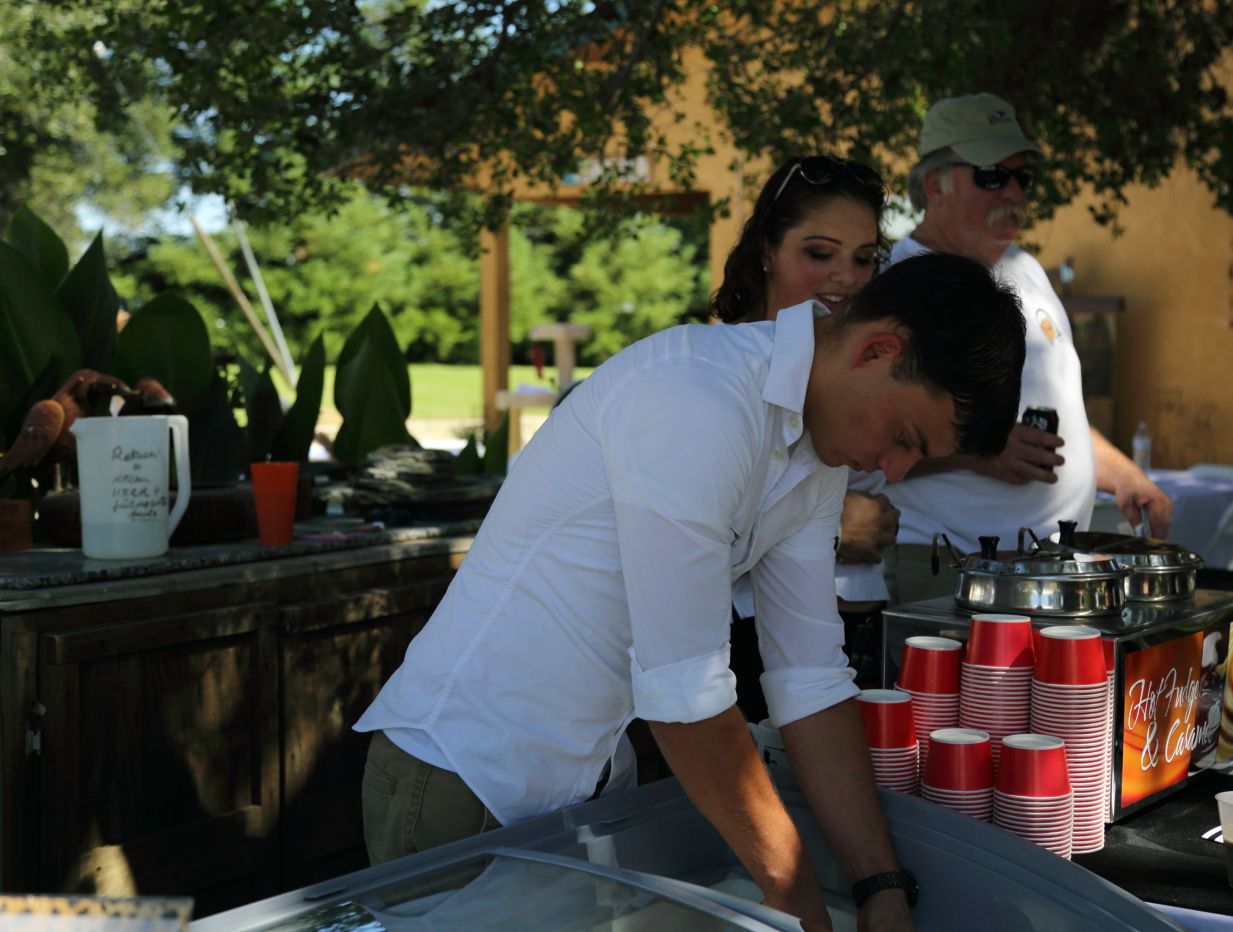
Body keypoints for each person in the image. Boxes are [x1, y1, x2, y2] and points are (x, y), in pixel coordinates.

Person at [356, 255, 1027, 932]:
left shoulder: (816, 450)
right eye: (905, 438)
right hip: (461, 777)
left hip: (577, 789)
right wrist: (797, 903)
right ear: (877, 349)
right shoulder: (696, 398)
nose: (895, 469)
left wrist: (881, 886)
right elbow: (685, 694)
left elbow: (810, 677)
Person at [880, 93, 1173, 603]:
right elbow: (858, 437)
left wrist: (1123, 475)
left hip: (1046, 571)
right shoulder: (893, 286)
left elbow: (1063, 413)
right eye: (993, 175)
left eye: (1023, 178)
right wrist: (976, 451)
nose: (1013, 193)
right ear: (935, 185)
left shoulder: (1027, 270)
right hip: (950, 569)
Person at [710, 155, 901, 716]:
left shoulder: (857, 364)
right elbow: (676, 540)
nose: (845, 275)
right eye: (819, 253)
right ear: (766, 249)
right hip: (737, 642)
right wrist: (835, 527)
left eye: (864, 259)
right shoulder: (719, 375)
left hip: (848, 622)